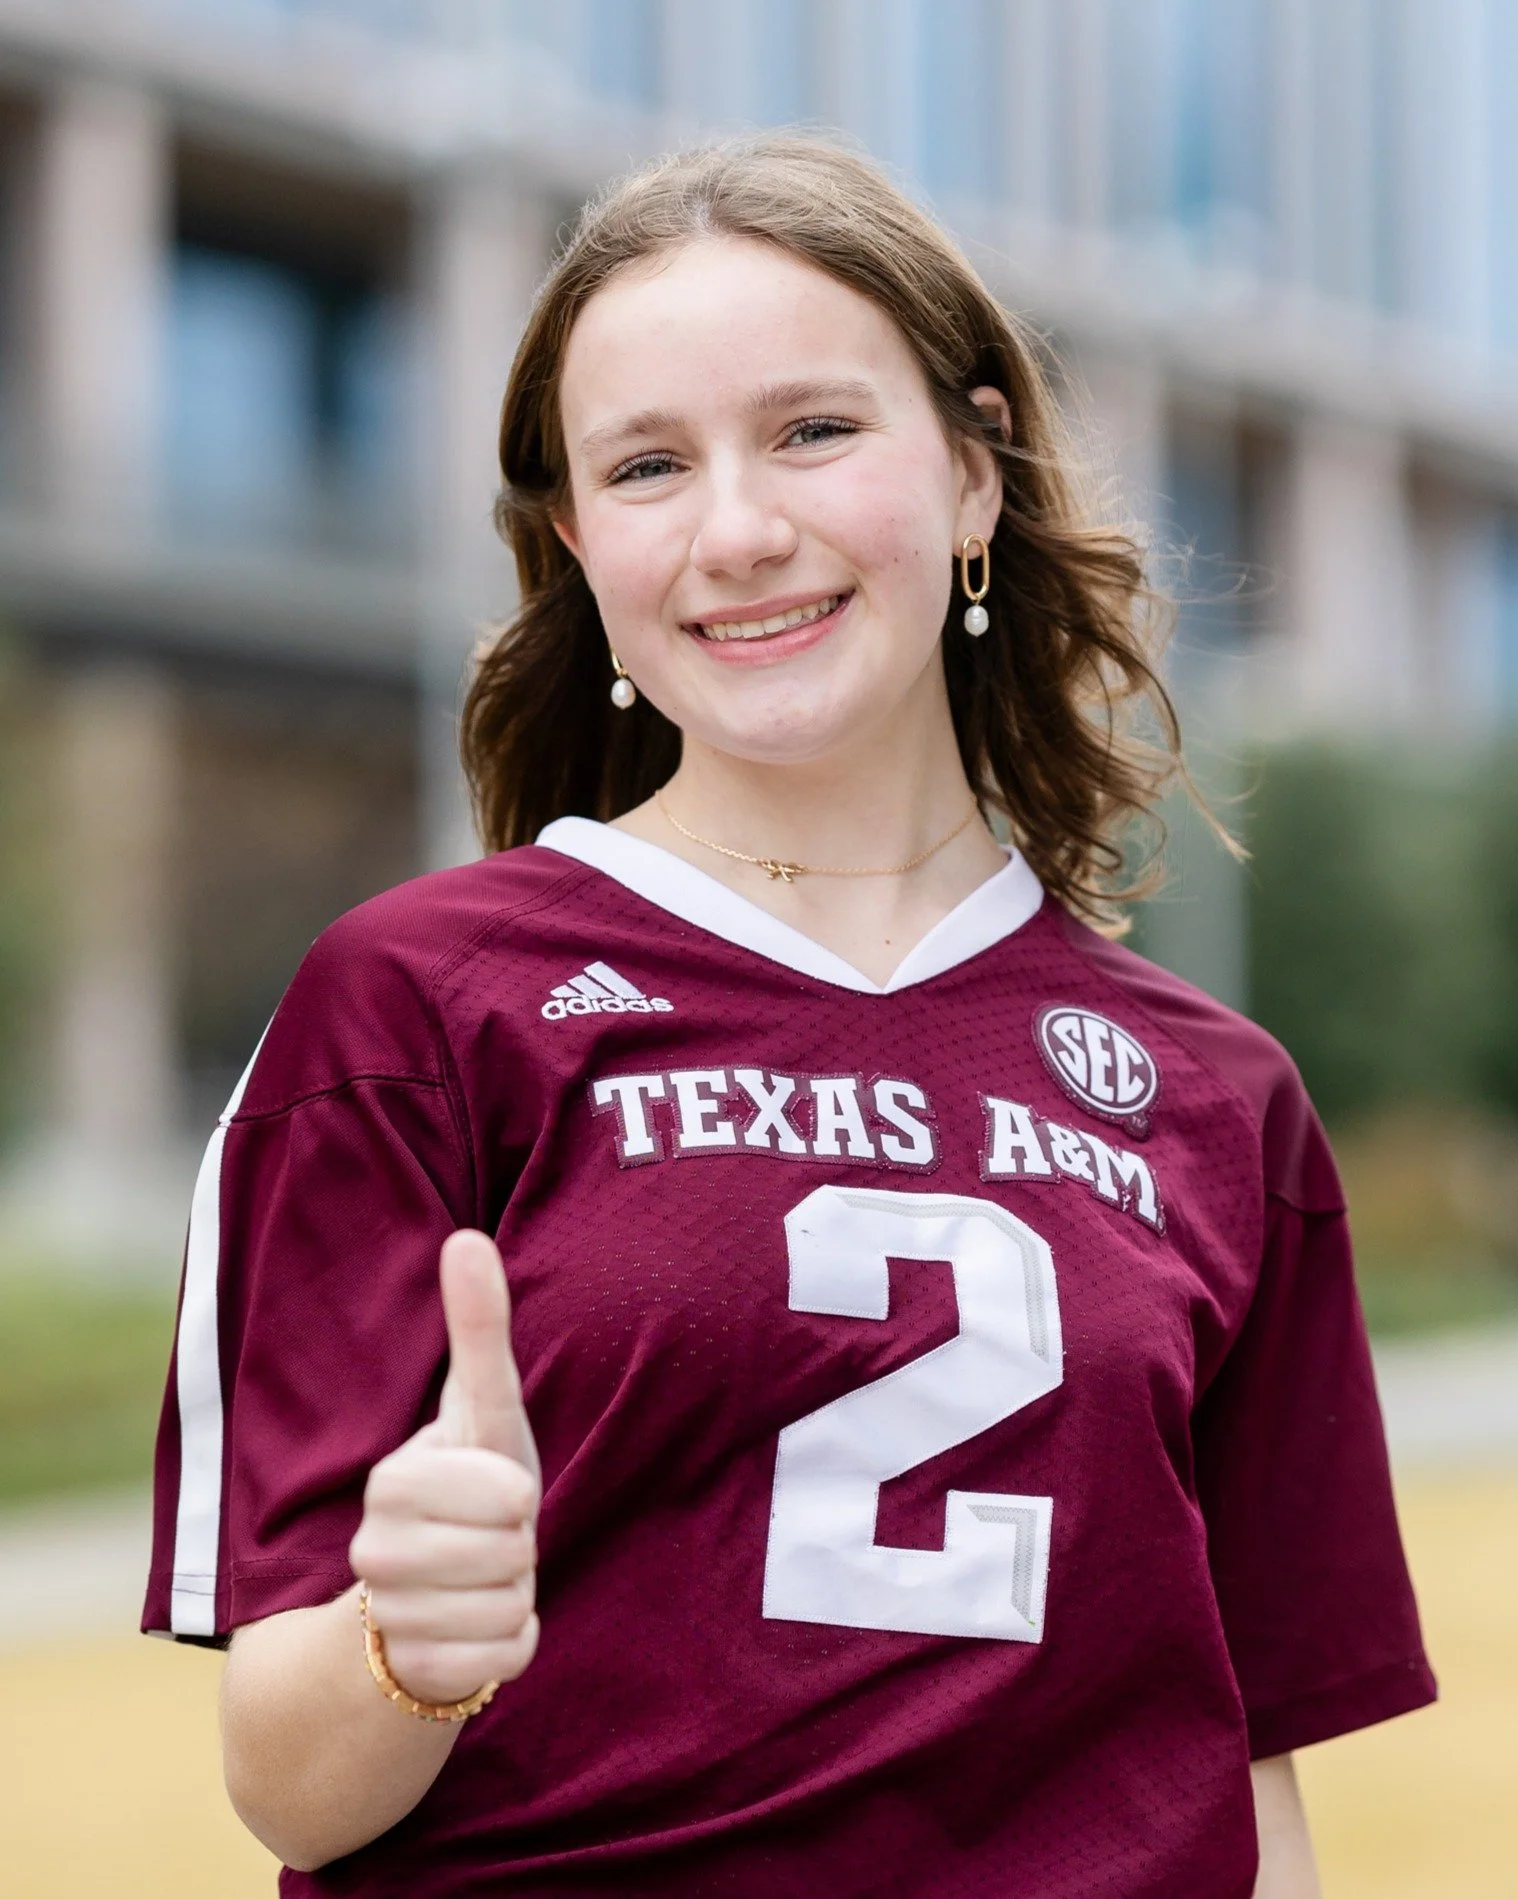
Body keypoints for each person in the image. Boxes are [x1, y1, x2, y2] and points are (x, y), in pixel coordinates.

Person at [144, 135, 1435, 1898]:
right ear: (579, 543)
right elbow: (289, 1791)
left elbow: (1243, 1778)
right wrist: (405, 1637)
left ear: (976, 471)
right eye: (649, 465)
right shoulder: (417, 1007)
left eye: (814, 430)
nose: (740, 530)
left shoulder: (1219, 1100)